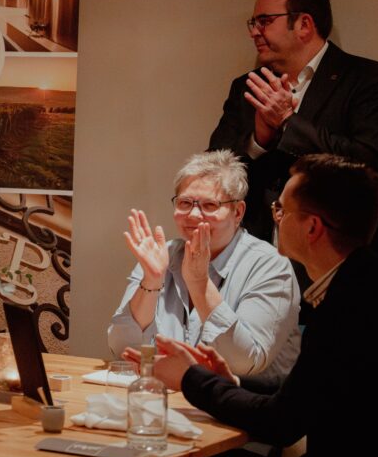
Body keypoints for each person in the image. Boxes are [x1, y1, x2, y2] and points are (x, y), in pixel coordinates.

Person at [137, 155, 378, 457]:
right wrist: (231, 384)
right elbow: (309, 390)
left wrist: (191, 378)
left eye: (281, 210)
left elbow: (283, 422)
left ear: (312, 227)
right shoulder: (371, 284)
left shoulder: (358, 305)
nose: (276, 219)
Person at [208, 0, 378, 250]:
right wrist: (258, 141)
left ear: (304, 24)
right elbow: (214, 168)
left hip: (335, 249)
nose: (253, 31)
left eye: (264, 21)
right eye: (253, 22)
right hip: (256, 249)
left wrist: (288, 122)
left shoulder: (368, 78)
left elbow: (364, 163)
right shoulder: (247, 86)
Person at [108, 150, 300, 381]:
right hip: (172, 396)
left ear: (237, 212)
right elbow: (123, 349)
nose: (194, 214)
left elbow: (244, 362)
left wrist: (199, 284)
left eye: (209, 205)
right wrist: (151, 280)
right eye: (185, 203)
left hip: (249, 404)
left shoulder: (269, 265)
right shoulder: (162, 255)